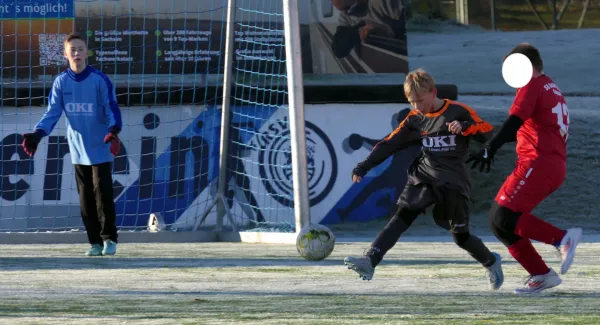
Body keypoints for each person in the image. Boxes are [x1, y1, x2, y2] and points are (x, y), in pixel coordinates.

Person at [344, 68, 504, 290]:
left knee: (461, 236)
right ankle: (370, 260)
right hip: (424, 176)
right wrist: (364, 166)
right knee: (402, 215)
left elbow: (487, 131)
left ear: (433, 92)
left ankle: (491, 260)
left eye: (419, 100)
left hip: (453, 181)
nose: (416, 106)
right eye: (411, 102)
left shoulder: (458, 111)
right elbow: (389, 143)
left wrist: (465, 127)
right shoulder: (414, 119)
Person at [466, 43, 582, 295]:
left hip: (539, 162)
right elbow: (519, 129)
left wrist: (491, 148)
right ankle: (541, 274)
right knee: (499, 222)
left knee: (502, 217)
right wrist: (483, 139)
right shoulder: (548, 86)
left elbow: (515, 121)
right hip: (546, 163)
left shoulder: (531, 86)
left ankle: (563, 238)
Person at [22, 33, 122, 257]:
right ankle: (95, 243)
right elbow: (52, 113)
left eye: (80, 49)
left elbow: (111, 108)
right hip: (78, 150)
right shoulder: (61, 82)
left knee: (102, 194)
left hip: (101, 146)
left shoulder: (99, 79)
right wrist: (38, 134)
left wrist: (113, 131)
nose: (76, 53)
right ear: (65, 55)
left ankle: (110, 240)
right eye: (72, 50)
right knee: (85, 198)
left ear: (87, 53)